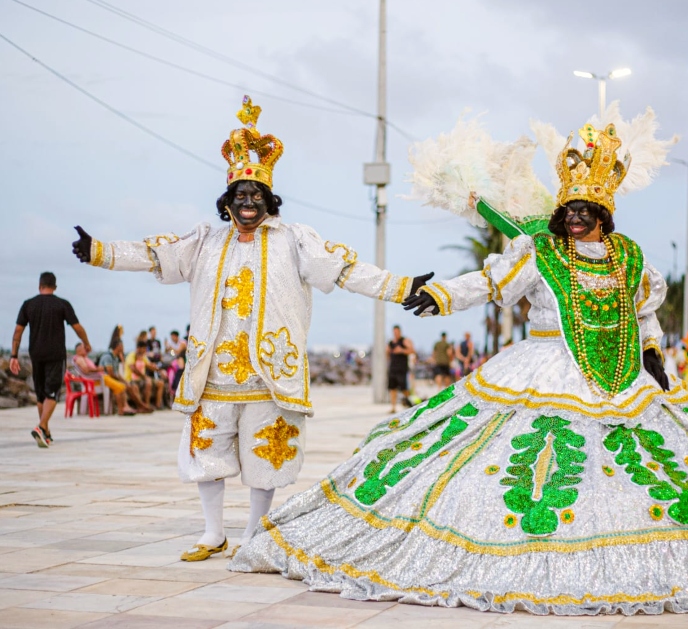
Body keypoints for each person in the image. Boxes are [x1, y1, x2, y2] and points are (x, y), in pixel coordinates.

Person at [232, 109, 688, 614]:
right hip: (537, 367)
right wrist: (437, 294)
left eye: (586, 209)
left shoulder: (632, 258)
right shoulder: (535, 254)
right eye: (569, 209)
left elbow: (643, 313)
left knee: (644, 474)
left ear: (604, 211)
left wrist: (656, 357)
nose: (576, 218)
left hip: (621, 376)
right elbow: (489, 283)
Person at [71, 96, 432, 562]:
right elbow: (156, 254)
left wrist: (399, 287)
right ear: (227, 202)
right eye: (240, 196)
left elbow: (344, 269)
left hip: (269, 374)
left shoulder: (295, 240)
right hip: (212, 374)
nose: (247, 203)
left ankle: (253, 533)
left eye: (255, 196)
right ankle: (212, 532)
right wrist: (101, 251)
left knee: (267, 458)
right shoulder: (205, 240)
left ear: (269, 201)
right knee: (208, 454)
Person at [10, 272, 92, 447]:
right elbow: (77, 327)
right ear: (54, 287)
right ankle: (41, 427)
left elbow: (18, 332)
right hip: (55, 355)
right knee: (52, 393)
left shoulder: (28, 305)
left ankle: (45, 431)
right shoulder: (62, 304)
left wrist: (14, 356)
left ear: (40, 286)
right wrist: (86, 343)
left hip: (36, 354)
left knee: (41, 395)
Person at [72, 342, 136, 416]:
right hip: (96, 381)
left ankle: (123, 408)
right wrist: (98, 369)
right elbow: (86, 370)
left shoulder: (84, 358)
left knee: (121, 386)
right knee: (120, 386)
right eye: (84, 348)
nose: (86, 349)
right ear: (79, 350)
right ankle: (122, 409)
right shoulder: (79, 359)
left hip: (99, 378)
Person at [99, 339, 153, 414]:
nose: (123, 348)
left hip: (111, 379)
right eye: (122, 346)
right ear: (119, 346)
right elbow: (110, 374)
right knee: (123, 386)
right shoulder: (108, 356)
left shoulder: (116, 358)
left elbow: (116, 373)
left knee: (129, 386)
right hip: (103, 379)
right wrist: (123, 381)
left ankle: (139, 406)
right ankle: (126, 408)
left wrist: (123, 380)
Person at [125, 341, 165, 409]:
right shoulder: (131, 355)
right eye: (144, 348)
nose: (145, 350)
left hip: (142, 379)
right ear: (139, 348)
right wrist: (144, 377)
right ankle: (146, 405)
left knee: (160, 383)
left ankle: (158, 405)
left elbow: (150, 366)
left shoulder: (143, 357)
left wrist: (161, 371)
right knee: (148, 382)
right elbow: (133, 369)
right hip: (132, 379)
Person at [387, 325, 414, 413]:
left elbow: (412, 350)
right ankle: (393, 407)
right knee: (392, 388)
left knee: (404, 388)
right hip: (393, 368)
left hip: (402, 368)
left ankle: (408, 403)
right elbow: (387, 352)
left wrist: (402, 350)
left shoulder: (404, 340)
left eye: (397, 332)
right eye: (394, 332)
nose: (395, 334)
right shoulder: (391, 342)